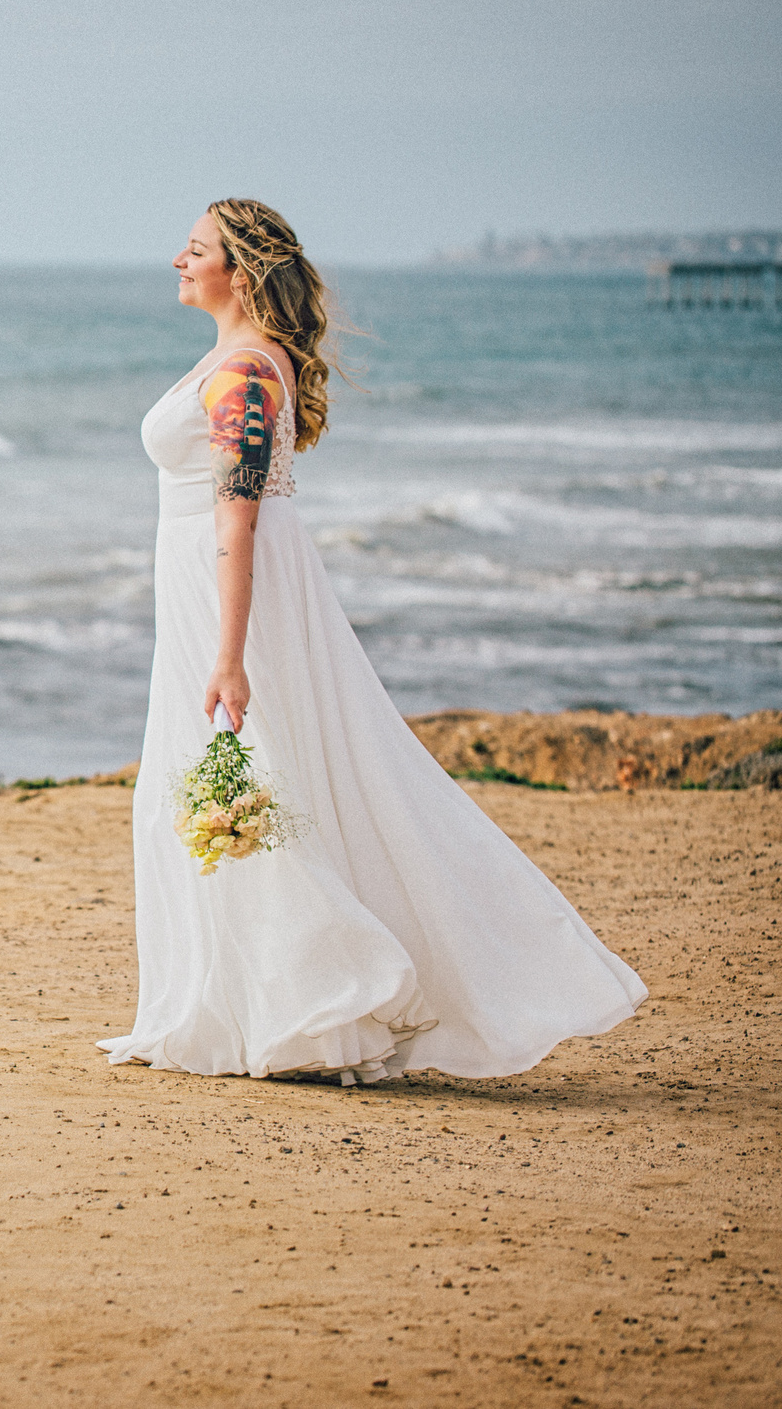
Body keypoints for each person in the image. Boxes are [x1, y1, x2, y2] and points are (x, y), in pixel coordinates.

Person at [97, 200, 645, 1084]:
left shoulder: (243, 373)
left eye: (193, 250)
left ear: (238, 272)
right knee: (246, 787)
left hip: (230, 592)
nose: (176, 260)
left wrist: (229, 652)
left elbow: (235, 518)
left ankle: (322, 1007)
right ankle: (247, 1007)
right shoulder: (236, 358)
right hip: (215, 587)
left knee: (251, 787)